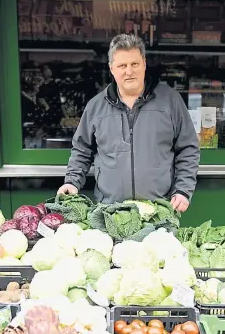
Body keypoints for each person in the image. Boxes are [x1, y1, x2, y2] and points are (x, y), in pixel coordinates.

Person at [57, 34, 200, 212]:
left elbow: (188, 148)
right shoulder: (96, 107)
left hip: (160, 209)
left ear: (144, 64)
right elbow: (82, 149)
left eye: (134, 64)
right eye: (122, 65)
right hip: (109, 211)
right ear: (111, 68)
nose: (129, 71)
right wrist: (72, 181)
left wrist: (182, 190)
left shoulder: (170, 101)